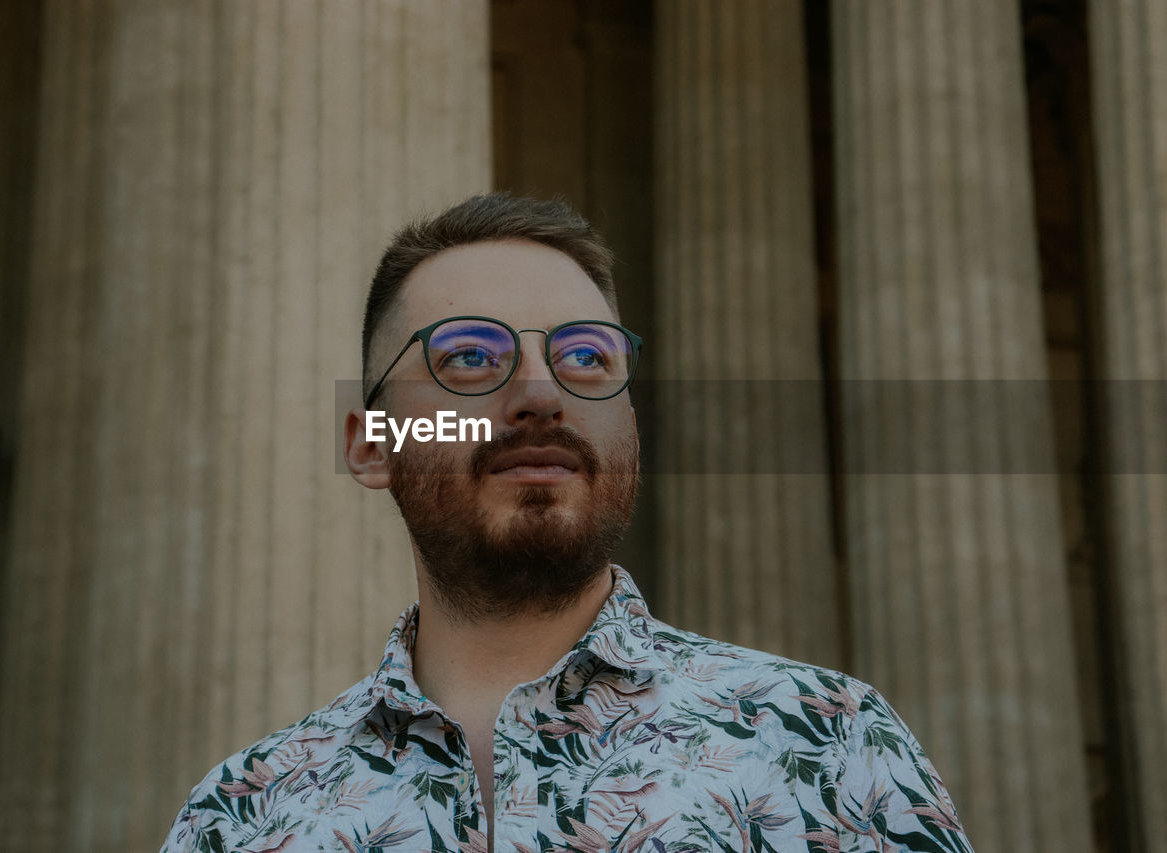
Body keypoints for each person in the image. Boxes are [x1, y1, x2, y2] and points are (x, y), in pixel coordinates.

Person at [161, 194, 973, 853]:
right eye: (470, 355)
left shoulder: (831, 740)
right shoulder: (239, 817)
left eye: (588, 357)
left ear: (629, 430)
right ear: (372, 445)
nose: (543, 394)